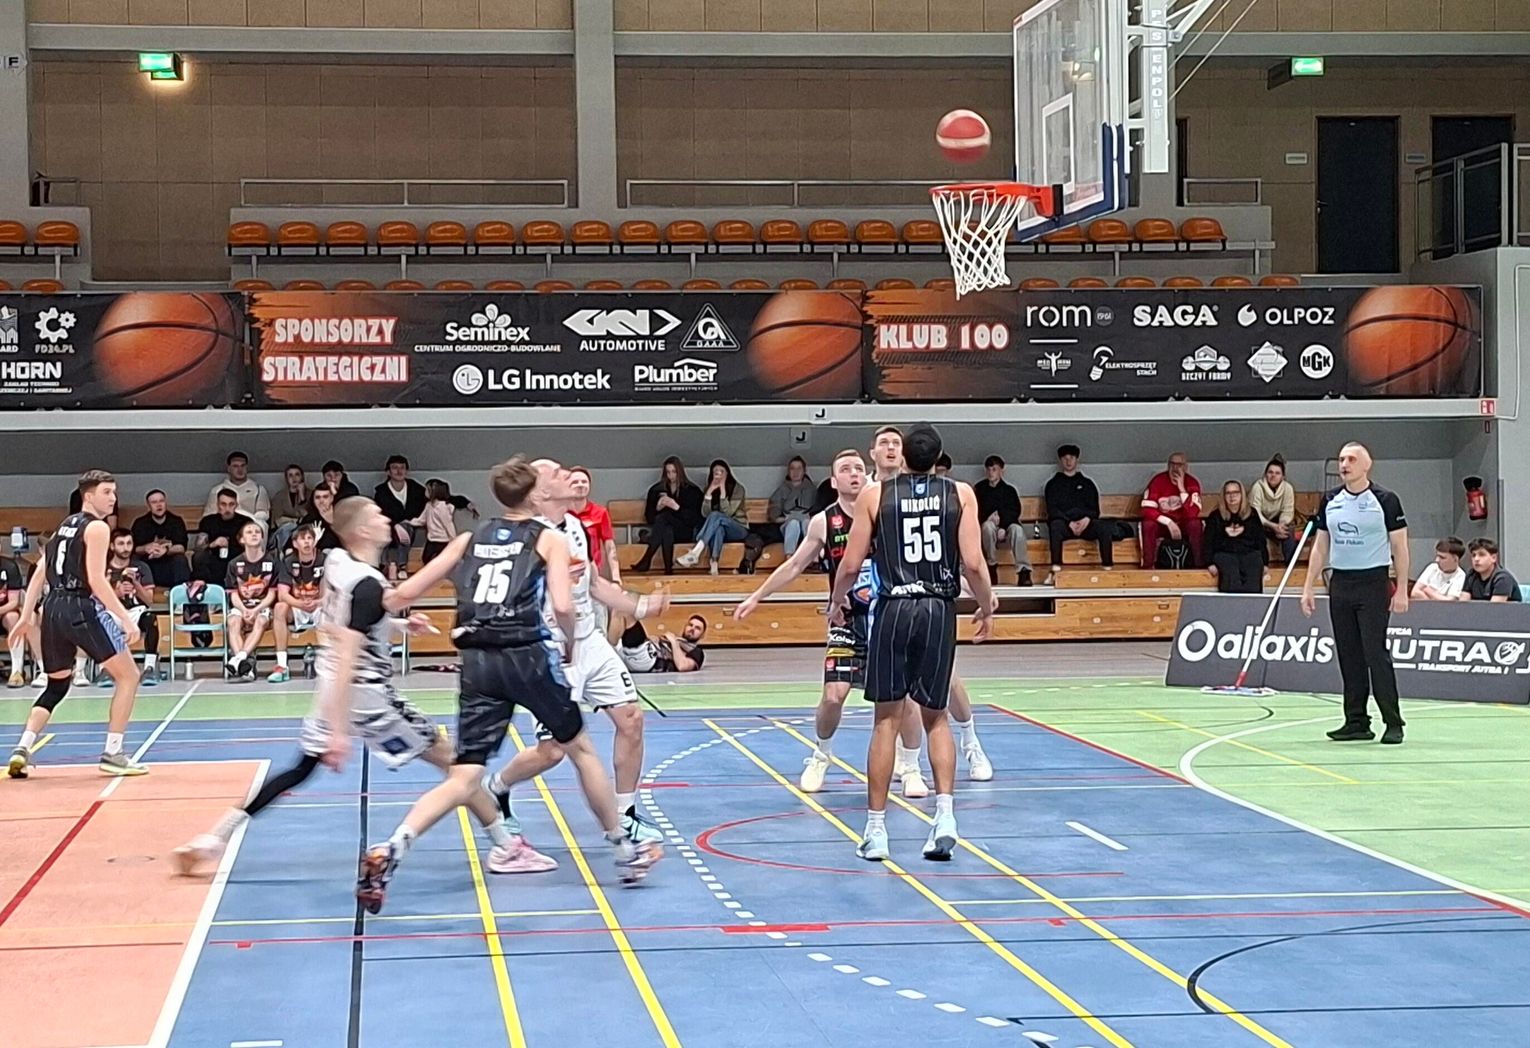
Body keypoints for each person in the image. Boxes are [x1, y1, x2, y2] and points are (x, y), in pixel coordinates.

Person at [356, 457, 659, 913]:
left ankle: (393, 845)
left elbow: (401, 595)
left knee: (464, 776)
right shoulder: (549, 538)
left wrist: (364, 606)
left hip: (477, 663)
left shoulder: (468, 538)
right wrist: (570, 644)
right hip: (527, 655)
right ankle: (624, 849)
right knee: (580, 749)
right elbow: (563, 606)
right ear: (534, 495)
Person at [172, 497, 525, 877]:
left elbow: (344, 621)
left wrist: (398, 626)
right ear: (362, 530)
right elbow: (360, 641)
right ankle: (506, 847)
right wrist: (340, 733)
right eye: (377, 515)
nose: (386, 518)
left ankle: (215, 837)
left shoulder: (337, 562)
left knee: (300, 768)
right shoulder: (368, 585)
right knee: (459, 766)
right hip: (364, 694)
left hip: (330, 689)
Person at [735, 448, 992, 793]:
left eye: (858, 468)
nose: (854, 474)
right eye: (845, 469)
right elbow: (795, 565)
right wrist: (757, 595)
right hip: (849, 619)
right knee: (833, 695)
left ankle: (913, 765)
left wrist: (980, 591)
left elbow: (925, 562)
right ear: (833, 481)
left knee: (913, 697)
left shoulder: (889, 508)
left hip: (892, 614)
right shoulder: (825, 521)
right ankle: (821, 755)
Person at [480, 458, 675, 865]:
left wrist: (641, 606)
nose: (568, 475)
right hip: (552, 649)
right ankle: (496, 787)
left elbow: (595, 584)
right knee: (552, 751)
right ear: (538, 492)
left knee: (631, 719)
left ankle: (625, 814)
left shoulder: (574, 526)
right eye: (556, 473)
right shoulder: (528, 538)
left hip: (589, 640)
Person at [830, 424, 996, 863]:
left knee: (885, 720)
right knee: (936, 717)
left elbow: (851, 564)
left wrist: (835, 601)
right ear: (940, 459)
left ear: (902, 456)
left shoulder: (875, 495)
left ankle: (876, 831)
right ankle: (945, 818)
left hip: (894, 608)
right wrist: (986, 607)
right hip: (938, 609)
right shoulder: (961, 493)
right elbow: (973, 563)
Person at [8, 471, 146, 779]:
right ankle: (113, 752)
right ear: (89, 496)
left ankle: (22, 747)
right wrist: (126, 619)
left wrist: (27, 616)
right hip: (79, 605)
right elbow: (96, 579)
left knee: (57, 685)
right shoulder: (96, 527)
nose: (113, 498)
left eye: (114, 492)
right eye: (107, 492)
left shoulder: (64, 525)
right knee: (129, 676)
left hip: (52, 608)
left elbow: (40, 572)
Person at [1301, 442, 1409, 746]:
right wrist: (1308, 586)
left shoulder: (1386, 500)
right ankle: (1356, 721)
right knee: (1349, 655)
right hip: (1341, 584)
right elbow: (1321, 545)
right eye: (1341, 459)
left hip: (1373, 583)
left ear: (1366, 465)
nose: (1344, 465)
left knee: (1375, 653)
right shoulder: (1330, 500)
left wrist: (1401, 588)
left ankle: (1393, 722)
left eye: (1351, 459)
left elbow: (1400, 546)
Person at [1043, 444, 1111, 583]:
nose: (1068, 461)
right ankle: (1055, 569)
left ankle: (1107, 568)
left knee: (1104, 527)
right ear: (1060, 460)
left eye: (1072, 458)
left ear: (1077, 460)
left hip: (1086, 524)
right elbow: (1052, 510)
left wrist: (1087, 519)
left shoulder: (1087, 484)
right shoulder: (1053, 484)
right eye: (1065, 458)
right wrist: (1069, 522)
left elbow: (1095, 510)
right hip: (1065, 525)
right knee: (1055, 526)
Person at [268, 524, 325, 683]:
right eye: (302, 539)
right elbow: (282, 594)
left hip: (320, 605)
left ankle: (334, 663)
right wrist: (300, 604)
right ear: (295, 544)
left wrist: (317, 602)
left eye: (310, 538)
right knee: (279, 608)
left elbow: (330, 594)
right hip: (298, 605)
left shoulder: (324, 560)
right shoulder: (288, 562)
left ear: (315, 541)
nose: (307, 542)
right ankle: (282, 666)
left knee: (338, 606)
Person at [224, 521, 279, 681]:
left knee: (261, 620)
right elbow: (233, 594)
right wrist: (244, 610)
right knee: (233, 621)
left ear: (262, 538)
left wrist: (255, 610)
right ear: (242, 539)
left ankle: (237, 660)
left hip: (263, 606)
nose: (254, 534)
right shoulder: (234, 564)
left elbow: (272, 593)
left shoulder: (272, 562)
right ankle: (245, 665)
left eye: (257, 532)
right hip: (241, 606)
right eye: (249, 532)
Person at [106, 527, 161, 686]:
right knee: (100, 619)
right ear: (112, 546)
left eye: (129, 543)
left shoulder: (142, 567)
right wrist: (117, 593)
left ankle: (149, 667)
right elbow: (96, 599)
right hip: (113, 612)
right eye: (121, 544)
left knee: (151, 619)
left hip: (136, 612)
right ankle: (106, 669)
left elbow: (149, 601)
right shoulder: (103, 569)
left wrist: (136, 584)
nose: (126, 548)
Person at [632, 456, 703, 575]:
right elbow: (650, 518)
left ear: (680, 472)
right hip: (662, 531)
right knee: (666, 528)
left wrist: (677, 507)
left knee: (664, 517)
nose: (671, 476)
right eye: (668, 472)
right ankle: (668, 570)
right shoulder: (656, 490)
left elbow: (694, 519)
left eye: (674, 472)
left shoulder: (692, 490)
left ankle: (647, 558)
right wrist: (657, 508)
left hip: (684, 531)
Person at [679, 459, 749, 575]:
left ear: (727, 474)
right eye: (715, 472)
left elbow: (728, 513)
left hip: (738, 528)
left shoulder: (738, 489)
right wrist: (709, 493)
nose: (718, 475)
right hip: (721, 527)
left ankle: (696, 552)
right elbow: (705, 514)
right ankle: (714, 564)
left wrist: (722, 492)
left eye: (722, 472)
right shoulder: (709, 489)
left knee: (716, 515)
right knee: (718, 528)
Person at [1140, 452, 1204, 569]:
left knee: (1195, 524)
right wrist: (1169, 522)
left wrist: (1182, 489)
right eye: (1172, 464)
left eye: (1179, 465)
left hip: (1183, 524)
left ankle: (1198, 567)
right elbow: (1147, 509)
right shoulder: (1158, 481)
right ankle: (1148, 566)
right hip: (1163, 525)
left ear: (1186, 467)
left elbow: (1192, 513)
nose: (1175, 468)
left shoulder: (1192, 483)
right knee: (1148, 524)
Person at [975, 455, 1032, 586]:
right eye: (989, 469)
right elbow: (975, 511)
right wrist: (987, 518)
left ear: (1001, 470)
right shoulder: (980, 489)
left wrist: (1003, 526)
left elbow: (1015, 512)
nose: (991, 473)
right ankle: (991, 565)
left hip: (1007, 527)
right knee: (987, 526)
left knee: (1017, 530)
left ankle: (1023, 570)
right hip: (988, 530)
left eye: (994, 469)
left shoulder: (1009, 490)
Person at [1205, 481, 1266, 594]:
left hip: (1249, 553)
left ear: (1242, 494)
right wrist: (1209, 563)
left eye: (1235, 492)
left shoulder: (1252, 514)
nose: (1232, 496)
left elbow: (1260, 540)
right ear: (1223, 496)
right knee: (1230, 570)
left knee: (1254, 563)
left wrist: (1265, 563)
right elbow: (1208, 542)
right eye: (1228, 493)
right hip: (1225, 553)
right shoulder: (1215, 516)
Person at [374, 454, 427, 582]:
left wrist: (465, 503)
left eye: (402, 467)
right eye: (395, 468)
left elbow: (436, 498)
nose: (399, 471)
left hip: (411, 524)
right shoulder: (381, 491)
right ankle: (387, 566)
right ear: (388, 472)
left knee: (406, 529)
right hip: (389, 525)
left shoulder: (415, 488)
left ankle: (401, 566)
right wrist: (396, 525)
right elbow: (380, 513)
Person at [130, 490, 191, 589]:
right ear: (148, 506)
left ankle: (180, 592)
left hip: (169, 562)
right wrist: (145, 548)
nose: (159, 505)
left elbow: (181, 547)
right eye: (154, 502)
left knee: (180, 559)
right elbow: (134, 548)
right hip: (148, 562)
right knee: (135, 561)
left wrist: (165, 551)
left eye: (161, 501)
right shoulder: (140, 523)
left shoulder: (176, 521)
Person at [192, 489, 255, 584]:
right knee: (200, 557)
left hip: (237, 558)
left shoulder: (245, 522)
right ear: (218, 505)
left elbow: (252, 546)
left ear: (236, 505)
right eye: (223, 504)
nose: (227, 509)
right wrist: (213, 544)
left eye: (231, 504)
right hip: (213, 560)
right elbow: (198, 548)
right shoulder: (208, 521)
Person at [202, 451, 270, 534]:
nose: (240, 470)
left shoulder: (258, 489)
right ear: (229, 468)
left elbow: (263, 513)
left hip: (249, 527)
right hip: (224, 527)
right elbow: (209, 516)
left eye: (243, 466)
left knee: (261, 525)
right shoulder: (217, 490)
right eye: (235, 466)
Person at [1249, 454, 1300, 564]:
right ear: (1265, 474)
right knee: (1255, 530)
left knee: (1288, 530)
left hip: (1277, 521)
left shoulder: (1288, 488)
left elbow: (1287, 511)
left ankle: (1291, 564)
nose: (1273, 476)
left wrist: (1281, 525)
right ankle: (1262, 564)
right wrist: (1272, 526)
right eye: (1270, 472)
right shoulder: (1257, 487)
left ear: (1283, 476)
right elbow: (1255, 513)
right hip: (1260, 522)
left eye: (1277, 473)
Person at [617, 613, 707, 674]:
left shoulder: (697, 652)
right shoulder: (679, 640)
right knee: (619, 614)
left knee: (628, 615)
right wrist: (651, 639)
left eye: (697, 628)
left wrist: (674, 642)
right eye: (690, 625)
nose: (692, 629)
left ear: (702, 635)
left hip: (650, 661)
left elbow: (682, 666)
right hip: (634, 655)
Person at [3, 554, 43, 688]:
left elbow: (14, 602)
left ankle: (17, 671)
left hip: (3, 612)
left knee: (13, 617)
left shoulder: (9, 567)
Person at [768, 456, 817, 556]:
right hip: (789, 520)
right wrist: (779, 518)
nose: (796, 472)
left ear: (804, 471)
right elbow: (774, 507)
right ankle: (789, 557)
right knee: (793, 524)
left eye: (799, 468)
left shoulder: (812, 489)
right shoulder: (782, 489)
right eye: (792, 468)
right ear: (788, 471)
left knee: (807, 523)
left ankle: (812, 557)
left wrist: (812, 517)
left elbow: (819, 507)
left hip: (806, 518)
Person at [1461, 538, 1521, 602]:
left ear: (1494, 558)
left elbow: (1494, 607)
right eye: (1473, 555)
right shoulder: (1471, 575)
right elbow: (1463, 603)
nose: (1476, 559)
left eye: (1481, 555)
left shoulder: (1503, 578)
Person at [269, 465, 311, 552]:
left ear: (302, 477)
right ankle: (283, 553)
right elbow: (277, 520)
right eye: (290, 475)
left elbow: (309, 516)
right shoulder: (279, 496)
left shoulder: (311, 494)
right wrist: (297, 521)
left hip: (305, 528)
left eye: (297, 475)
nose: (294, 478)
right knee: (289, 528)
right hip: (284, 530)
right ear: (286, 479)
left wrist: (302, 497)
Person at [300, 483, 342, 555]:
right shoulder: (308, 519)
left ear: (332, 498)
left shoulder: (341, 515)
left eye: (325, 497)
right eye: (317, 497)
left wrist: (332, 522)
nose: (321, 501)